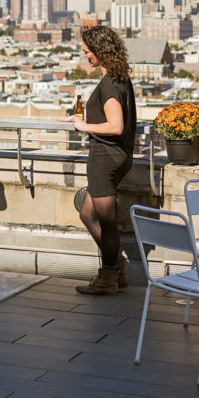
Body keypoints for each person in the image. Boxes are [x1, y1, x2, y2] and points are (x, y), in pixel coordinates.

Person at [71, 25, 136, 296]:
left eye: (87, 51)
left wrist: (83, 128)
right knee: (87, 213)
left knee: (108, 221)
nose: (84, 55)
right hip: (117, 157)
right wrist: (82, 121)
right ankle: (116, 266)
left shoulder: (109, 84)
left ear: (100, 50)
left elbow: (116, 126)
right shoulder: (120, 78)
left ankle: (109, 275)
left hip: (105, 159)